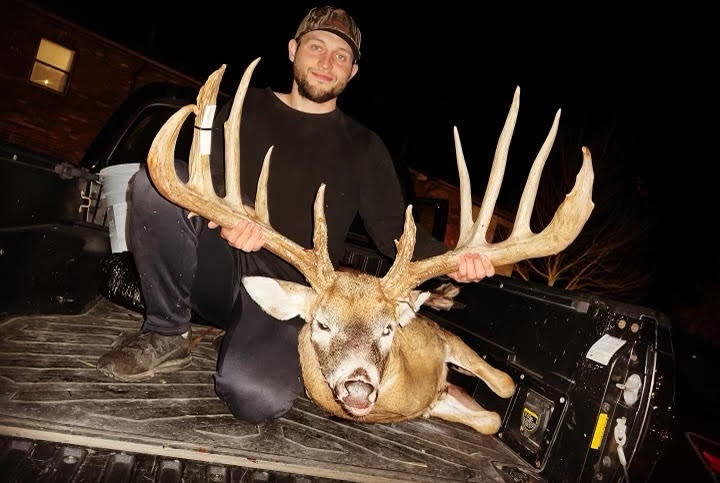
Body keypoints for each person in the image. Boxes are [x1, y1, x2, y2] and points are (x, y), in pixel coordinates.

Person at [96, 6, 495, 423]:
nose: (326, 63)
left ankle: (245, 345)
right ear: (293, 50)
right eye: (316, 47)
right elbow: (202, 173)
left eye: (341, 56)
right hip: (219, 265)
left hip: (295, 293)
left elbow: (393, 230)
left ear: (353, 72)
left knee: (255, 397)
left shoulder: (364, 147)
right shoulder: (243, 106)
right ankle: (166, 332)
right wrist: (236, 213)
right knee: (154, 186)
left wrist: (453, 263)